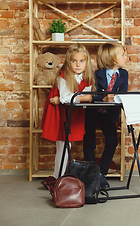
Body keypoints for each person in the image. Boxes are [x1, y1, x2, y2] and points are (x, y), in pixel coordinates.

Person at [41, 44, 95, 189]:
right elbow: (67, 98)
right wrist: (80, 98)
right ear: (68, 62)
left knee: (67, 145)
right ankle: (57, 178)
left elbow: (88, 97)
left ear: (86, 62)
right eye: (74, 61)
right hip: (61, 113)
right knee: (63, 145)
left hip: (74, 112)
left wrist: (77, 98)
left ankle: (58, 177)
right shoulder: (63, 74)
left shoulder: (88, 77)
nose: (78, 64)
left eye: (82, 61)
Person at [83, 42, 128, 190]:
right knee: (89, 141)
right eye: (123, 55)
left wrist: (114, 99)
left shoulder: (123, 74)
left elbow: (123, 94)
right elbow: (89, 94)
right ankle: (92, 175)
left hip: (109, 114)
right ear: (113, 59)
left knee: (112, 141)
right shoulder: (96, 74)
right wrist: (102, 99)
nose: (126, 57)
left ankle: (101, 173)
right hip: (93, 112)